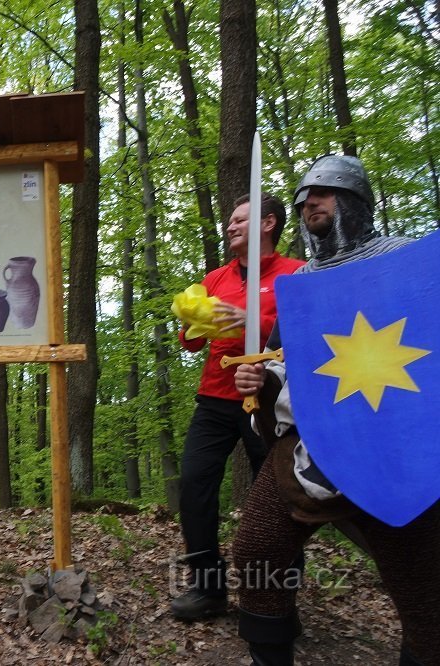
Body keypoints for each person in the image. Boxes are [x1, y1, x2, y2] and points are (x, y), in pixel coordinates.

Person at [233, 155, 436, 665]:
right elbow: (286, 360)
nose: (308, 205)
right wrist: (264, 377)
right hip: (313, 444)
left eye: (322, 194)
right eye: (302, 199)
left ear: (354, 200)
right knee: (258, 549)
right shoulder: (304, 282)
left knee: (421, 583)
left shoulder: (404, 263)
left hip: (390, 446)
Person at [171, 192, 305, 620]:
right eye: (229, 220)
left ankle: (277, 588)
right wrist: (193, 318)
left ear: (268, 224)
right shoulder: (215, 278)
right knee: (193, 484)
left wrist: (254, 320)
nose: (230, 226)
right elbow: (189, 342)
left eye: (240, 220)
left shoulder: (295, 274)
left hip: (269, 402)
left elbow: (306, 333)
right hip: (215, 398)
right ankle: (207, 587)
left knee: (283, 492)